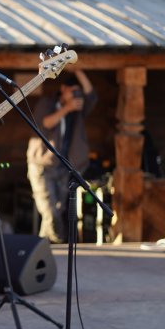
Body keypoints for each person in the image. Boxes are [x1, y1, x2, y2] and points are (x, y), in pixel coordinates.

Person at [26, 70, 97, 244]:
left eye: (77, 92)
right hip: (41, 165)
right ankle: (57, 245)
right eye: (73, 91)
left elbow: (92, 94)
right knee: (50, 210)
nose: (76, 96)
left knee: (58, 209)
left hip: (64, 166)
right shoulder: (47, 103)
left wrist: (78, 69)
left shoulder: (78, 110)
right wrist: (67, 108)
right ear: (63, 89)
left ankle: (43, 249)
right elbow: (46, 123)